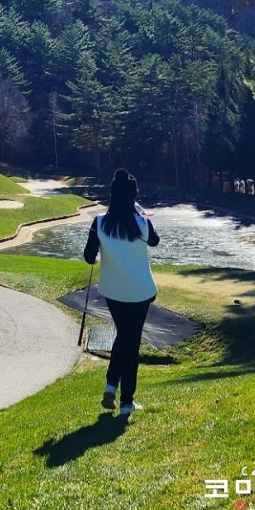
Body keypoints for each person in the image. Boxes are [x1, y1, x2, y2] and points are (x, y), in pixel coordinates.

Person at [83, 168, 159, 417]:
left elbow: (88, 257)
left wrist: (99, 252)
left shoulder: (99, 223)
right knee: (130, 342)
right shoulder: (142, 223)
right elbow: (155, 241)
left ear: (112, 195)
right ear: (133, 196)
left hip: (114, 293)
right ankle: (126, 402)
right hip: (141, 293)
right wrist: (140, 212)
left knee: (124, 337)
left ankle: (111, 384)